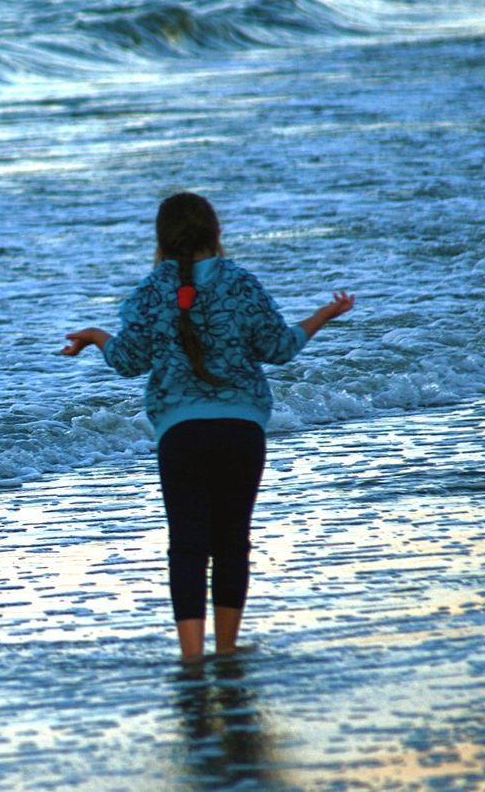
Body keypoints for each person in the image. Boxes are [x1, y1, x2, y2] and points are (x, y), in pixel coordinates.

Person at [60, 192, 354, 662]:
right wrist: (322, 314)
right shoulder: (239, 282)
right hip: (241, 429)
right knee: (233, 541)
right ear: (217, 235)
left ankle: (192, 657)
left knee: (187, 545)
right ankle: (227, 649)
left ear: (161, 240)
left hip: (181, 433)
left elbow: (129, 360)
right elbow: (278, 348)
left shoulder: (151, 291)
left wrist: (96, 337)